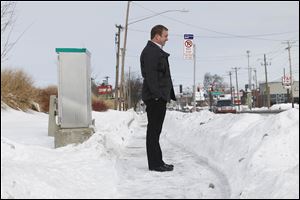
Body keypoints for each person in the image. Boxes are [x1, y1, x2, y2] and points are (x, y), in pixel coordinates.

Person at [140, 25, 176, 172]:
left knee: (156, 131)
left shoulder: (155, 51)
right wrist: (157, 95)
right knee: (153, 131)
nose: (167, 38)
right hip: (155, 98)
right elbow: (151, 76)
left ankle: (158, 161)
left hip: (158, 97)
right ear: (157, 36)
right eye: (165, 36)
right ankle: (155, 164)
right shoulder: (150, 52)